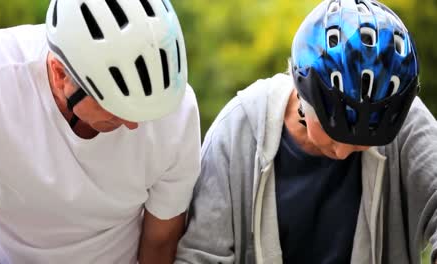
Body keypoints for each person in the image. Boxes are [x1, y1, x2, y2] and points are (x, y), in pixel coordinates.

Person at [176, 0, 437, 263]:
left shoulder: (401, 115)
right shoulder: (238, 130)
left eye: (364, 140)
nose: (343, 152)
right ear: (304, 95)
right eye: (334, 130)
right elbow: (201, 254)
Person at [0, 0, 201, 263]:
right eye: (116, 107)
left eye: (144, 112)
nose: (133, 125)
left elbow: (160, 242)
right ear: (60, 75)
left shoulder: (175, 112)